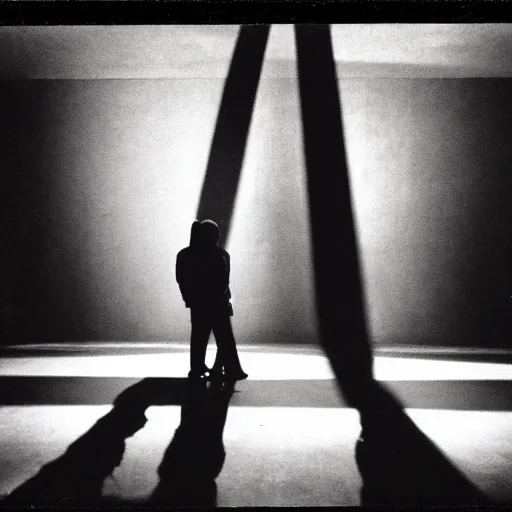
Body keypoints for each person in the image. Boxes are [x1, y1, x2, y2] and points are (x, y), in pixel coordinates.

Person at [176, 220, 248, 381]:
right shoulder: (221, 255)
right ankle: (226, 368)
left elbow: (181, 279)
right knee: (224, 338)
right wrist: (222, 298)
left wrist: (189, 298)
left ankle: (197, 367)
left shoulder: (185, 255)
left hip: (199, 303)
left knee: (199, 337)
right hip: (218, 303)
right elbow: (224, 280)